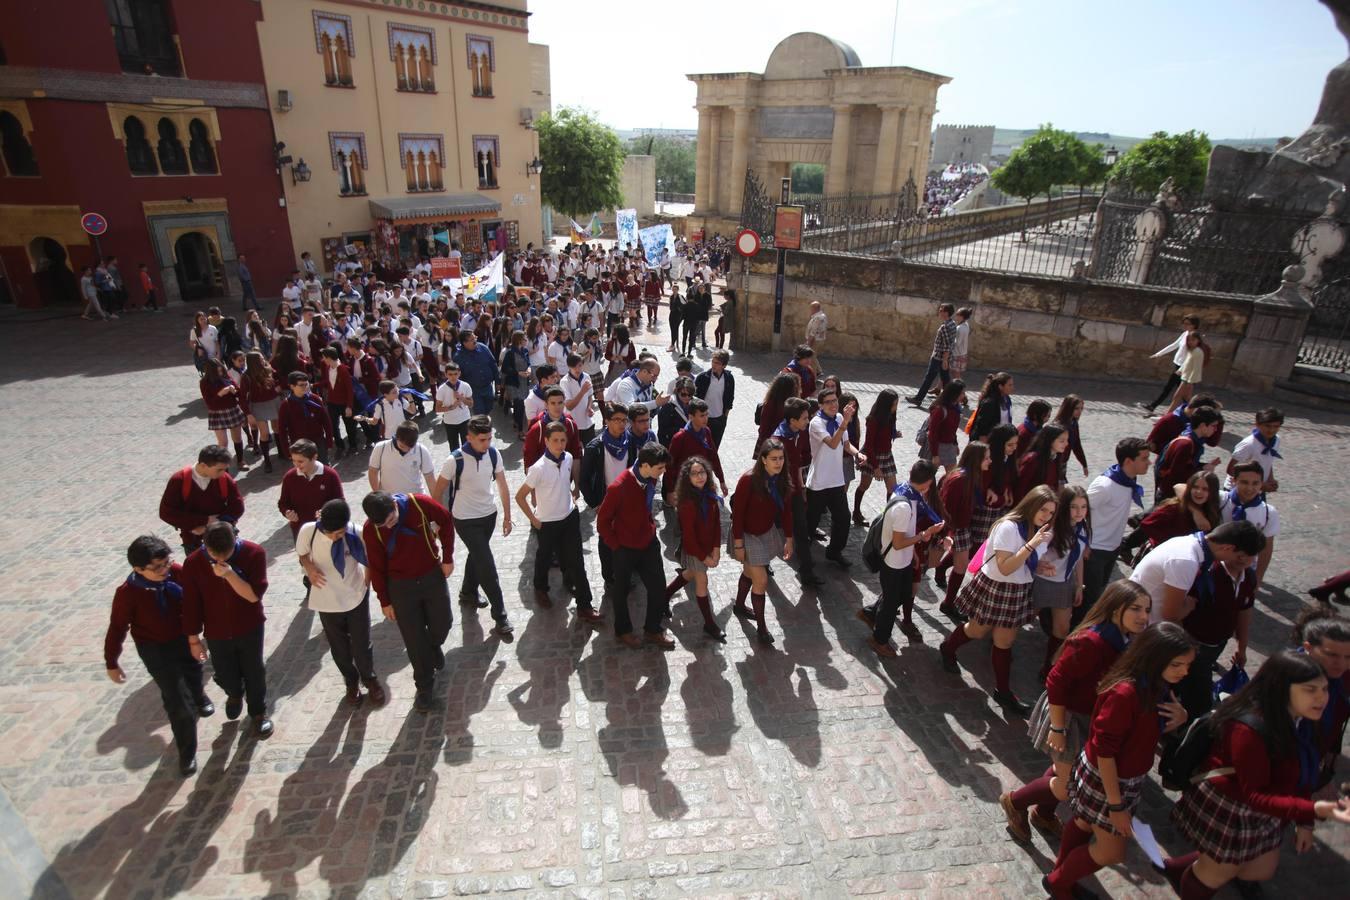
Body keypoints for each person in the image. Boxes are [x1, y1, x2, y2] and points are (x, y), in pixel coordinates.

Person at [1160, 651, 1350, 899]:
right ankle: (1194, 879)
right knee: (1214, 873)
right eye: (1310, 690)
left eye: (1324, 689)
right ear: (1283, 689)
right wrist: (1313, 811)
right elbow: (1255, 795)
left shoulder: (1300, 718)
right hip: (1232, 806)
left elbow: (1300, 768)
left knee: (1257, 869)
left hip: (1263, 807)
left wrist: (1305, 821)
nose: (1321, 698)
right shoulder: (1249, 729)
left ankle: (1183, 867)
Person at [1043, 623, 1193, 899]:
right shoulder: (1125, 694)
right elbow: (1106, 753)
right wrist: (1116, 805)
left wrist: (1180, 717)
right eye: (1177, 665)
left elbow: (1143, 732)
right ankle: (1058, 881)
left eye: (1187, 665)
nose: (1184, 672)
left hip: (1123, 776)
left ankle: (1063, 877)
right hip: (1107, 779)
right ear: (1155, 657)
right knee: (1113, 851)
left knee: (1083, 823)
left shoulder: (1158, 686)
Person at [1000, 580, 1152, 843]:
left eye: (1147, 610)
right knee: (1069, 782)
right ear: (1116, 609)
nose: (1144, 617)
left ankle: (1043, 813)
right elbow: (1056, 682)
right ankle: (1015, 802)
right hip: (1066, 716)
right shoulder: (1092, 641)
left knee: (1064, 773)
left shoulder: (1125, 639)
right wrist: (1058, 729)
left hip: (1088, 716)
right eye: (1136, 609)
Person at [940, 485, 1057, 714]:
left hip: (1018, 590)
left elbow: (1025, 562)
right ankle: (947, 648)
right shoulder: (1009, 527)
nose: (1046, 516)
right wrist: (1033, 544)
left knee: (1004, 642)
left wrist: (1041, 566)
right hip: (996, 587)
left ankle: (1003, 692)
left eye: (1051, 513)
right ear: (1031, 504)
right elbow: (1005, 567)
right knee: (977, 631)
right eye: (1043, 510)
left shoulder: (1037, 530)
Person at [105, 535, 213, 777]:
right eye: (157, 567)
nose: (165, 569)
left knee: (195, 671)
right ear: (138, 568)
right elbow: (117, 627)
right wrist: (111, 661)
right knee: (176, 700)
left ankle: (199, 696)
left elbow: (195, 598)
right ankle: (187, 752)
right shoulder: (127, 593)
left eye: (166, 563)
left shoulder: (175, 572)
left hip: (184, 637)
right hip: (155, 648)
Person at [361, 490, 455, 712]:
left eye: (392, 520)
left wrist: (448, 557)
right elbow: (376, 566)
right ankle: (424, 686)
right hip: (400, 586)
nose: (389, 526)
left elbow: (446, 521)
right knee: (413, 639)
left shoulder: (418, 504)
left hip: (431, 574)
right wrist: (384, 600)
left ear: (394, 504)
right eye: (384, 524)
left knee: (443, 622)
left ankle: (433, 646)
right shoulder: (371, 529)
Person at [181, 522, 273, 738]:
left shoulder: (254, 553)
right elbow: (191, 604)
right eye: (214, 555)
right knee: (223, 673)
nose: (220, 560)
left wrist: (231, 575)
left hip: (249, 626)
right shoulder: (193, 563)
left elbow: (252, 596)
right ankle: (234, 692)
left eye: (226, 554)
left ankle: (258, 713)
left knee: (254, 671)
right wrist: (193, 639)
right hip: (216, 630)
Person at [296, 500, 386, 707]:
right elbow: (302, 554)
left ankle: (369, 678)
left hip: (355, 596)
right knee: (339, 647)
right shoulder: (308, 532)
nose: (336, 537)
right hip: (327, 600)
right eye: (331, 534)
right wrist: (309, 568)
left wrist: (367, 581)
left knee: (362, 643)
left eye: (339, 533)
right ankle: (351, 681)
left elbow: (369, 558)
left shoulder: (356, 533)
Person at [433, 415, 516, 631]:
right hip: (465, 519)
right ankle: (500, 616)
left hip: (489, 515)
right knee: (487, 565)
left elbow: (503, 485)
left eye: (489, 438)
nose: (486, 443)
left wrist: (507, 516)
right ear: (469, 438)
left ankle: (468, 592)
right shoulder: (454, 460)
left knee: (477, 555)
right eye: (482, 440)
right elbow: (438, 490)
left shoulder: (493, 454)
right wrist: (435, 521)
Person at [516, 421, 602, 624]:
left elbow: (565, 482)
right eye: (555, 440)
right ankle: (540, 588)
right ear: (546, 441)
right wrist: (534, 520)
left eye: (563, 440)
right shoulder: (537, 468)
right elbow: (520, 497)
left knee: (577, 561)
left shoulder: (569, 458)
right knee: (544, 558)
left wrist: (572, 495)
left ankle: (584, 605)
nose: (560, 444)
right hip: (547, 521)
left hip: (569, 517)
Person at [596, 443, 674, 649]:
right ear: (645, 466)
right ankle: (623, 631)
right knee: (620, 591)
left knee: (658, 588)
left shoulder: (651, 478)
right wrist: (616, 545)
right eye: (660, 468)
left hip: (648, 543)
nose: (663, 472)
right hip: (624, 548)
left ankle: (652, 629)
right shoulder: (618, 488)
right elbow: (602, 522)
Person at [866, 461, 946, 656]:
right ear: (927, 483)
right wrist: (925, 534)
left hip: (902, 559)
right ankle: (879, 640)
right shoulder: (904, 507)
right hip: (893, 562)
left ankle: (873, 614)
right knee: (891, 603)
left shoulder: (904, 489)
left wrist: (913, 556)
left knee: (901, 595)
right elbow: (899, 542)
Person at [1130, 520, 1266, 624]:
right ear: (1227, 548)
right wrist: (1189, 605)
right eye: (1239, 556)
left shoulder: (1188, 543)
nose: (1239, 562)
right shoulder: (1186, 561)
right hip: (1140, 625)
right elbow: (1170, 614)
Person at [730, 438, 795, 645]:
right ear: (763, 460)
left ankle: (739, 606)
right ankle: (762, 628)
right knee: (762, 581)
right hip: (747, 535)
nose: (778, 463)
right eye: (774, 459)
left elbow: (786, 511)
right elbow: (738, 514)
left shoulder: (782, 479)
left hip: (766, 532)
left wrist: (789, 538)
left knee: (750, 573)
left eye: (781, 458)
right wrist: (738, 544)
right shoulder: (748, 480)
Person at [1081, 438, 1151, 617]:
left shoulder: (1128, 480)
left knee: (1097, 593)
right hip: (1095, 550)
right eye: (1144, 458)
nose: (1149, 462)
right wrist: (1084, 544)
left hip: (1112, 548)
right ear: (1128, 461)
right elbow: (1079, 512)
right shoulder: (1105, 485)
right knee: (1089, 599)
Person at [1031, 485, 1091, 679]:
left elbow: (1079, 558)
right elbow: (1033, 552)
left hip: (1064, 583)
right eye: (1074, 507)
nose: (1079, 512)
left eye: (1083, 507)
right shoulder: (1053, 528)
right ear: (1065, 507)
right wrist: (1040, 565)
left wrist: (1079, 584)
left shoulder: (1083, 529)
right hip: (1041, 581)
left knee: (1062, 629)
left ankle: (1049, 667)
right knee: (1023, 617)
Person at [663, 457, 726, 641]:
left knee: (690, 573)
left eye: (702, 472)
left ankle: (665, 594)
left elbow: (716, 525)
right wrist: (704, 558)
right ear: (687, 478)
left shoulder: (711, 495)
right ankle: (709, 623)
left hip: (706, 548)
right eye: (694, 474)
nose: (699, 477)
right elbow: (689, 537)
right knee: (702, 581)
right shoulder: (687, 503)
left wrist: (716, 549)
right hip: (694, 550)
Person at [807, 387, 867, 568]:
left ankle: (834, 551)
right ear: (820, 405)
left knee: (842, 517)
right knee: (811, 520)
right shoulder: (816, 423)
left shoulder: (840, 418)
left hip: (836, 480)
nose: (833, 405)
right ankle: (803, 552)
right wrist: (845, 423)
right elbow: (833, 444)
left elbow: (845, 444)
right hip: (818, 482)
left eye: (835, 401)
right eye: (829, 402)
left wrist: (857, 454)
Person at [1295, 607, 1350, 787]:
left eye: (1347, 656)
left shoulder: (1342, 675)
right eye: (1332, 655)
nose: (1341, 663)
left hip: (1321, 746)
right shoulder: (1289, 676)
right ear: (1308, 648)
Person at [936, 441, 990, 614]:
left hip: (961, 526)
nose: (990, 461)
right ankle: (948, 604)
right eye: (986, 458)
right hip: (955, 528)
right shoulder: (960, 479)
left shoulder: (971, 476)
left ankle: (948, 601)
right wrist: (947, 533)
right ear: (976, 459)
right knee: (959, 566)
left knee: (960, 564)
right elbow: (947, 508)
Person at [159, 445, 245, 553]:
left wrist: (214, 525)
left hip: (223, 539)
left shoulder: (224, 479)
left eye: (225, 469)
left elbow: (237, 507)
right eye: (219, 469)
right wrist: (203, 521)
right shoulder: (179, 480)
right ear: (204, 465)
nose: (224, 473)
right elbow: (166, 513)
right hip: (193, 541)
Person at [278, 437, 345, 541]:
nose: (296, 465)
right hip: (300, 531)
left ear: (314, 457)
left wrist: (326, 512)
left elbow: (340, 502)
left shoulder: (330, 475)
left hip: (326, 531)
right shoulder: (289, 477)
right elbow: (283, 503)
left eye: (300, 461)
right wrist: (287, 512)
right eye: (294, 461)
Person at [664, 398, 728, 505]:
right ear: (691, 417)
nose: (706, 418)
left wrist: (721, 480)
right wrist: (670, 491)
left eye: (707, 414)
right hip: (685, 486)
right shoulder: (680, 438)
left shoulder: (706, 431)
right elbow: (670, 466)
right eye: (702, 415)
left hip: (703, 481)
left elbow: (713, 456)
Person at [853, 389, 902, 526]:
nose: (895, 407)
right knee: (864, 485)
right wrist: (875, 467)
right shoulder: (873, 420)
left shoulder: (891, 416)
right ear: (886, 405)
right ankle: (856, 512)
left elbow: (886, 434)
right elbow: (869, 445)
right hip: (872, 456)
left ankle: (888, 518)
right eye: (894, 404)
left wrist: (894, 434)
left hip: (887, 455)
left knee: (892, 489)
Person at [1138, 313, 1202, 414]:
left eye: (1187, 324)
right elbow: (1174, 345)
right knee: (1181, 392)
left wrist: (1181, 369)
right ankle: (1192, 412)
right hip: (1178, 364)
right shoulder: (1185, 334)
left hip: (1183, 368)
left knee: (1174, 390)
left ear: (1194, 325)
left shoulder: (1193, 337)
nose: (1184, 326)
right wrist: (1159, 354)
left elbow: (1191, 355)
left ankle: (1154, 406)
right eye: (1184, 323)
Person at [1156, 408, 1223, 502]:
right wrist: (1202, 470)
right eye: (1214, 426)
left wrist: (1204, 466)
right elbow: (1177, 475)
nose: (1216, 430)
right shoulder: (1186, 444)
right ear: (1203, 425)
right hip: (1170, 495)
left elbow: (1185, 466)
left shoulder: (1191, 438)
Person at [200, 358, 250, 471]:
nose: (220, 373)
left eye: (221, 370)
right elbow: (209, 403)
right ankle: (224, 466)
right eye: (218, 371)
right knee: (223, 442)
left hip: (232, 409)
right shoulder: (205, 383)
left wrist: (234, 390)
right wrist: (220, 394)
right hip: (217, 413)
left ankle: (240, 461)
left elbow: (238, 392)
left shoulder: (226, 376)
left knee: (237, 438)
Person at [276, 371, 334, 465]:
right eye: (301, 385)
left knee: (323, 468)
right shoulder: (286, 405)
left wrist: (329, 441)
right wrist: (287, 451)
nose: (305, 387)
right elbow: (282, 430)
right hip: (300, 445)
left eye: (306, 384)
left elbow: (326, 421)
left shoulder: (315, 399)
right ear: (292, 386)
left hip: (318, 442)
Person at [906, 302, 957, 404]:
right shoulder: (952, 323)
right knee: (946, 380)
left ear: (946, 313)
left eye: (941, 310)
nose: (939, 312)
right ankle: (952, 400)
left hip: (939, 358)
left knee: (929, 378)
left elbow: (947, 344)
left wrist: (945, 360)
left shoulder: (945, 327)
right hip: (943, 358)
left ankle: (918, 399)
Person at [1225, 407, 1284, 494]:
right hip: (1238, 491)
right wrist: (1260, 485)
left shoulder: (1276, 440)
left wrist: (1270, 479)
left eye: (1276, 426)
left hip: (1257, 490)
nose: (1271, 430)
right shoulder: (1248, 444)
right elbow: (1231, 469)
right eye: (1267, 426)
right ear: (1257, 424)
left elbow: (1267, 461)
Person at [368, 421, 436, 496]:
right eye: (402, 446)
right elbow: (373, 471)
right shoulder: (380, 448)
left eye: (410, 448)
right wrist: (378, 494)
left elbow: (430, 478)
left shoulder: (421, 450)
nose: (406, 450)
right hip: (390, 499)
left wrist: (437, 503)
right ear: (396, 437)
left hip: (415, 499)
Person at [694, 349, 735, 448]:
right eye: (713, 362)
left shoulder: (729, 378)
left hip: (719, 419)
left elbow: (730, 398)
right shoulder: (702, 378)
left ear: (724, 365)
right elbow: (694, 398)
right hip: (703, 419)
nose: (713, 365)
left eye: (717, 363)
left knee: (714, 447)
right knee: (701, 447)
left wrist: (724, 417)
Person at [924, 380, 964, 476]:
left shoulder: (956, 408)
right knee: (927, 477)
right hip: (936, 446)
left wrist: (955, 444)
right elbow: (933, 433)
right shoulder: (940, 410)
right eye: (962, 393)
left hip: (949, 446)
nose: (964, 395)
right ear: (955, 394)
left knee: (952, 477)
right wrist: (935, 455)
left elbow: (952, 430)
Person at [561, 352, 597, 445]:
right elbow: (569, 406)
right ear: (569, 366)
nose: (578, 369)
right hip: (573, 425)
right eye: (574, 366)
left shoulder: (586, 376)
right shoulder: (565, 382)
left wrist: (589, 407)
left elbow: (590, 395)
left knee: (591, 452)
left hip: (588, 423)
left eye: (580, 365)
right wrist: (582, 392)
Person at [434, 361, 473, 448]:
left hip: (464, 419)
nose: (453, 377)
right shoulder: (442, 389)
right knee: (454, 447)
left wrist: (462, 398)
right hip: (450, 421)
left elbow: (471, 404)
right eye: (450, 374)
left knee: (467, 446)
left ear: (459, 373)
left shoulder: (465, 386)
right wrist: (452, 407)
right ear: (446, 374)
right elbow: (437, 409)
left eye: (455, 374)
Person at [970, 372, 1015, 443]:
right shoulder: (990, 402)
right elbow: (982, 424)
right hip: (988, 440)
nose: (1012, 388)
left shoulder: (1007, 399)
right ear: (1000, 386)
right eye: (1009, 385)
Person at [951, 307, 972, 385]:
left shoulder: (960, 328)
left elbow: (957, 343)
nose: (956, 316)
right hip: (962, 353)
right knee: (947, 371)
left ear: (962, 316)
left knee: (956, 374)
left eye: (957, 315)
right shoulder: (966, 325)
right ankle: (938, 388)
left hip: (957, 354)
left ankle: (961, 390)